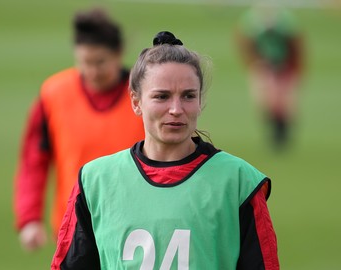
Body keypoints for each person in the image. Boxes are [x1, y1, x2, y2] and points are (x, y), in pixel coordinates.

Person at [51, 31, 279, 269]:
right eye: (162, 96)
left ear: (200, 101)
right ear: (136, 102)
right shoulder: (95, 181)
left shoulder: (239, 182)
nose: (176, 109)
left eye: (188, 96)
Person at [13, 7, 145, 251]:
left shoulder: (146, 97)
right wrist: (29, 218)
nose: (92, 72)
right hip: (73, 230)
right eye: (84, 62)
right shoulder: (54, 93)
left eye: (100, 62)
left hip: (136, 230)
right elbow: (34, 159)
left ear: (118, 53)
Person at [235, 5, 304, 149]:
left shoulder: (286, 22)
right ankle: (273, 132)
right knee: (265, 101)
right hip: (264, 65)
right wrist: (255, 62)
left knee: (283, 102)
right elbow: (245, 44)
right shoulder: (251, 21)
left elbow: (296, 46)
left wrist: (292, 67)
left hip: (284, 65)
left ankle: (282, 134)